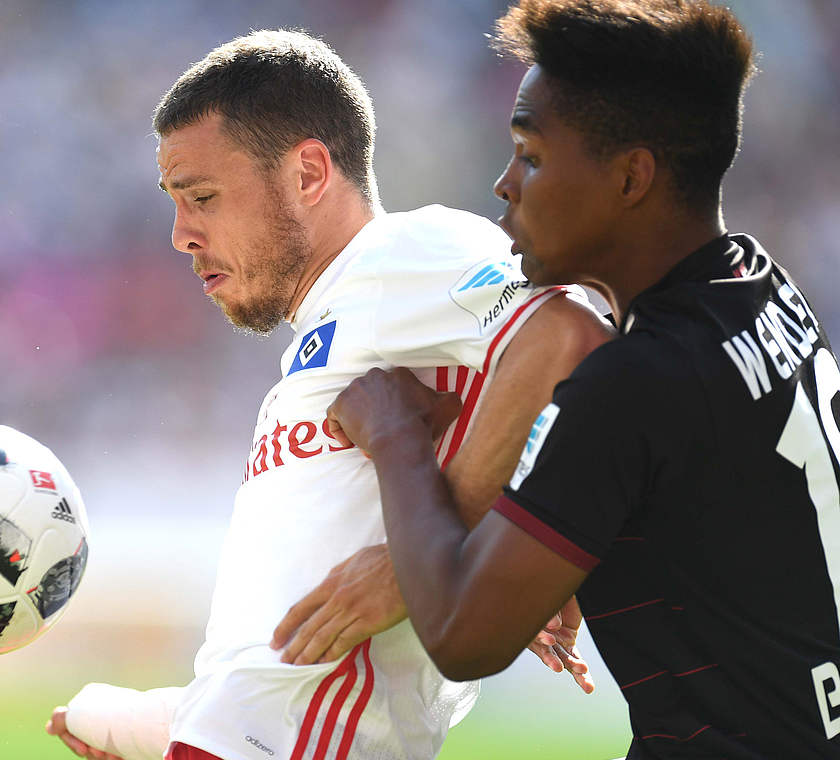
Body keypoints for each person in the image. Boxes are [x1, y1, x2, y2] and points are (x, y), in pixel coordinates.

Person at [47, 30, 613, 760]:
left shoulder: (405, 255)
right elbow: (285, 657)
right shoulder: (328, 333)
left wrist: (443, 559)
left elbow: (574, 332)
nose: (181, 235)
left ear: (309, 172)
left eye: (205, 198)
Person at [319, 1, 840, 757]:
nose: (504, 184)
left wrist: (395, 433)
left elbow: (464, 638)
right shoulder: (760, 286)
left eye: (530, 155)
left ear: (632, 177)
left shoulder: (635, 382)